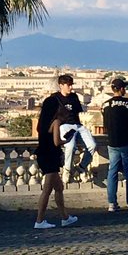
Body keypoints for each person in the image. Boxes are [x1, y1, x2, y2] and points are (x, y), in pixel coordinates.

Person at [33, 75, 80, 231]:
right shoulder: (56, 122)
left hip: (43, 153)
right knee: (47, 190)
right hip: (51, 155)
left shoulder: (43, 124)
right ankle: (39, 220)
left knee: (59, 187)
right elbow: (56, 142)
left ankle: (65, 217)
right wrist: (68, 139)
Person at [102, 78, 128, 214]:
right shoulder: (127, 103)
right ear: (121, 89)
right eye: (124, 87)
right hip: (127, 141)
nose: (125, 89)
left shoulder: (105, 105)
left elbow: (105, 126)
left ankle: (112, 203)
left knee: (112, 172)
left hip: (112, 142)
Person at [54, 74, 97, 182]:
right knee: (70, 146)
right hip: (64, 125)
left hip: (78, 125)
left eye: (71, 85)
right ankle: (67, 170)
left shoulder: (74, 97)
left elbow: (78, 112)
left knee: (92, 145)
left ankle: (81, 167)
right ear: (61, 85)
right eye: (68, 85)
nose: (71, 87)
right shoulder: (54, 98)